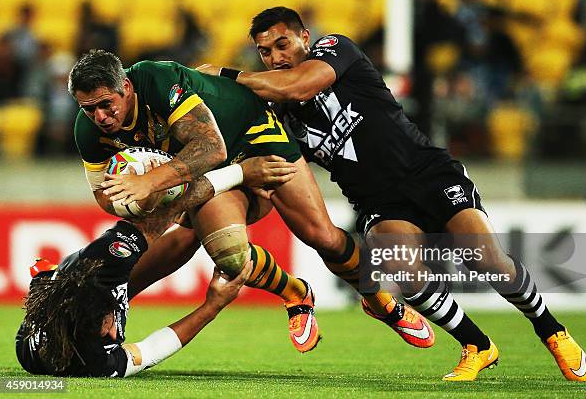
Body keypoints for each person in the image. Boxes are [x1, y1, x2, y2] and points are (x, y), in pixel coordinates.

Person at [197, 6, 586, 382]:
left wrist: (229, 74)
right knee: (405, 272)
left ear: (305, 36)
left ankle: (551, 331)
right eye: (264, 52)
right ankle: (477, 345)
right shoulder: (277, 112)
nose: (275, 57)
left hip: (427, 173)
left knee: (488, 262)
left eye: (282, 44)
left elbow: (301, 85)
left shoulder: (335, 49)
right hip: (378, 202)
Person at [68, 50, 433, 354]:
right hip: (196, 166)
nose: (100, 117)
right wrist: (130, 203)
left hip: (252, 134)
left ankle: (378, 297)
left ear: (126, 87)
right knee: (222, 250)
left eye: (106, 104)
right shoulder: (89, 131)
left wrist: (149, 182)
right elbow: (104, 195)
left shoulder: (157, 80)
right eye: (89, 109)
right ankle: (296, 293)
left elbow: (212, 146)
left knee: (321, 236)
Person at [15, 157, 285, 377]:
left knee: (184, 221)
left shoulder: (109, 259)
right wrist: (212, 305)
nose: (113, 332)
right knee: (188, 236)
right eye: (106, 330)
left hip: (72, 276)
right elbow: (151, 349)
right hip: (51, 324)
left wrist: (240, 172)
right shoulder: (95, 363)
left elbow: (174, 208)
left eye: (107, 322)